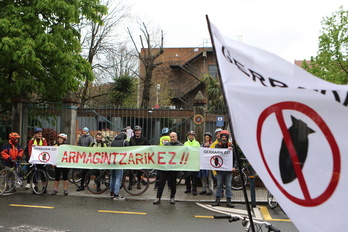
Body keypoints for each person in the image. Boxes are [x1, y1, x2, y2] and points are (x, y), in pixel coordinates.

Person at [153, 132, 182, 204]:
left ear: (176, 137)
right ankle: (158, 197)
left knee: (173, 183)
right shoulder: (166, 145)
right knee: (161, 183)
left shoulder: (181, 146)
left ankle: (172, 197)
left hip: (174, 168)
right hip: (165, 168)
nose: (172, 138)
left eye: (173, 137)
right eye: (171, 137)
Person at [212, 130, 236, 208]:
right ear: (220, 138)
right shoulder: (217, 146)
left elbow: (235, 158)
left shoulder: (232, 146)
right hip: (220, 170)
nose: (224, 138)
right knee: (219, 185)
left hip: (229, 170)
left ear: (227, 137)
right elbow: (216, 156)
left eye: (225, 137)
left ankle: (229, 200)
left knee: (228, 186)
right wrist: (216, 167)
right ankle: (217, 200)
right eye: (223, 137)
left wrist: (234, 167)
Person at [26, 127, 48, 193]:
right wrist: (31, 157)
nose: (40, 135)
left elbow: (46, 148)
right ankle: (35, 187)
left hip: (42, 159)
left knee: (43, 174)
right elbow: (29, 150)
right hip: (35, 159)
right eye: (38, 134)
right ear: (35, 134)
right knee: (35, 174)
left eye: (41, 134)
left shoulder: (44, 140)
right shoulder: (31, 141)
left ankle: (44, 188)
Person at [109, 131, 129, 200]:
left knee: (113, 177)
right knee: (118, 177)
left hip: (112, 161)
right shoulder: (124, 142)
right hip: (120, 162)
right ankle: (116, 194)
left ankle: (111, 192)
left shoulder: (113, 142)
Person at [129, 125, 150, 190]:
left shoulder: (144, 139)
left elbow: (148, 146)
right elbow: (129, 147)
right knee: (130, 171)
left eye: (138, 131)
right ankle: (130, 183)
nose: (137, 132)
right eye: (136, 131)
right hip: (133, 157)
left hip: (140, 158)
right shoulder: (131, 139)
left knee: (140, 172)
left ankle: (139, 183)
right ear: (134, 132)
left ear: (140, 132)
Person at [76, 127, 94, 191]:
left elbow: (91, 145)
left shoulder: (90, 138)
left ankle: (83, 184)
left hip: (88, 156)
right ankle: (82, 184)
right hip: (82, 156)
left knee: (85, 171)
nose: (83, 132)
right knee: (83, 171)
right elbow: (79, 145)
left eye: (84, 131)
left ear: (87, 132)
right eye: (82, 131)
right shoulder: (81, 138)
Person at [183, 131, 200, 195]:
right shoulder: (185, 143)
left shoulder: (197, 143)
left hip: (194, 162)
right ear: (188, 136)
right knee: (187, 177)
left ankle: (194, 189)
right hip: (187, 162)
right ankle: (188, 188)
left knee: (194, 177)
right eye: (190, 135)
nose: (191, 136)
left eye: (192, 135)